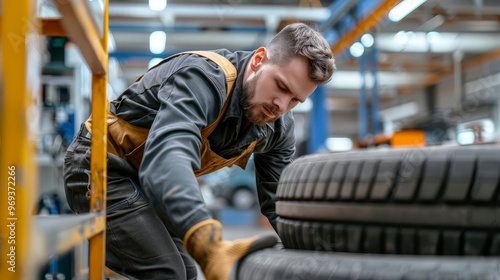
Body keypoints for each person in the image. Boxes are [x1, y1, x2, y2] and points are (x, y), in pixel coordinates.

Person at [63, 22, 335, 280]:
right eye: (281, 86)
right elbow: (168, 155)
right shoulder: (203, 78)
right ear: (258, 60)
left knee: (187, 273)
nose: (281, 105)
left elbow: (278, 201)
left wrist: (318, 252)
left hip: (147, 181)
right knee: (167, 273)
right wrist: (207, 240)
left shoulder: (277, 126)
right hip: (100, 166)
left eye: (295, 100)